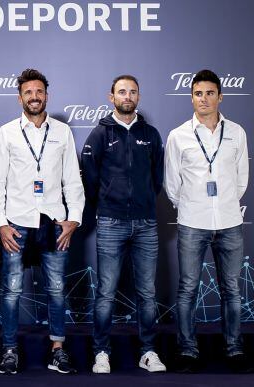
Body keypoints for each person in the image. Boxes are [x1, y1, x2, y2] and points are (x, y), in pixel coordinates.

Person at [0, 69, 84, 375]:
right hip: (16, 223)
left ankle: (57, 350)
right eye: (28, 92)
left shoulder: (62, 132)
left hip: (54, 223)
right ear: (20, 97)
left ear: (47, 95)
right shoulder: (7, 132)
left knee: (56, 290)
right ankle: (9, 350)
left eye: (39, 92)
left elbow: (73, 180)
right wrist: (1, 223)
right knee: (12, 290)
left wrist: (74, 219)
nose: (34, 97)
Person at [164, 69, 251, 373]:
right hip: (192, 221)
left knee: (231, 288)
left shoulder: (237, 132)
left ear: (220, 96)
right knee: (188, 288)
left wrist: (224, 202)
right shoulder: (178, 136)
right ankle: (188, 351)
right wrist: (192, 205)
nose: (204, 99)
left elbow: (241, 180)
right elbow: (172, 184)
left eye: (210, 93)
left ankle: (234, 349)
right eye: (198, 94)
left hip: (229, 221)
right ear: (191, 98)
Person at [81, 75, 167, 374]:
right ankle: (101, 352)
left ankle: (148, 352)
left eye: (132, 92)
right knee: (106, 291)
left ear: (139, 97)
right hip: (110, 222)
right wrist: (108, 203)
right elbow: (90, 179)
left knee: (147, 293)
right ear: (111, 96)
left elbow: (157, 178)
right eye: (121, 92)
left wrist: (141, 201)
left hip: (145, 223)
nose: (127, 96)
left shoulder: (151, 134)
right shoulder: (99, 134)